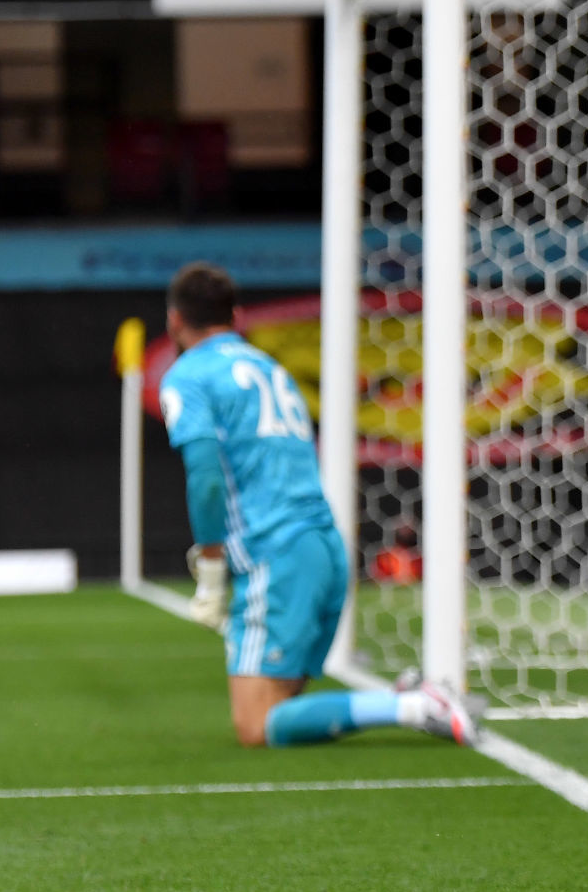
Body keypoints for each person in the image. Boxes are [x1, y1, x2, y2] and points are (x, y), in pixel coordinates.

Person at [158, 262, 476, 748]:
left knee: (257, 725)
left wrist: (212, 564)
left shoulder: (188, 376)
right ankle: (407, 699)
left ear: (174, 320)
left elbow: (204, 477)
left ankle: (415, 705)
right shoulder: (271, 369)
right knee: (281, 707)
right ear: (237, 317)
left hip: (276, 554)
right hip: (323, 546)